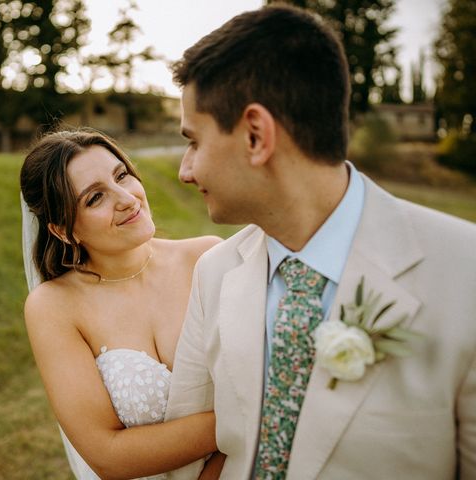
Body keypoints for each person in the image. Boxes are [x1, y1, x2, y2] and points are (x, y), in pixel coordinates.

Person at [164, 4, 476, 479]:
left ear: (255, 136)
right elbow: (184, 453)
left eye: (194, 141)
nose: (185, 171)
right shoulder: (215, 273)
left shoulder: (465, 272)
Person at [20, 129, 224, 480]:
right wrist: (247, 415)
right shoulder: (54, 307)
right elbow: (107, 454)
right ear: (63, 231)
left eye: (122, 176)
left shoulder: (208, 258)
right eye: (95, 198)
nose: (127, 199)